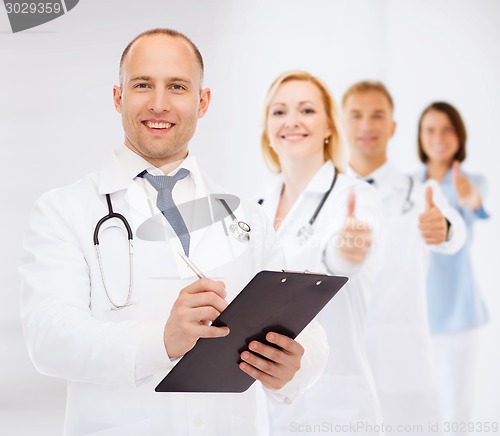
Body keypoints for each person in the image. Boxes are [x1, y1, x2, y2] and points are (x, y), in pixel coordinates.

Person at [19, 29, 328, 436]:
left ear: (202, 102)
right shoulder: (64, 210)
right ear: (118, 97)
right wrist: (160, 342)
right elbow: (49, 338)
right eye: (143, 84)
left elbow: (306, 330)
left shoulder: (246, 217)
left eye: (177, 87)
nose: (159, 104)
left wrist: (297, 364)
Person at [258, 70, 384, 435]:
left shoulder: (356, 197)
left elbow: (342, 261)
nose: (292, 121)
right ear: (267, 128)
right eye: (279, 112)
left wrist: (348, 250)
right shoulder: (255, 208)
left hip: (338, 410)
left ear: (330, 125)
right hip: (272, 409)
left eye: (307, 110)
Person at [341, 81, 466, 432]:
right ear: (342, 124)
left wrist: (443, 227)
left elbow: (456, 233)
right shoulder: (325, 194)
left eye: (377, 115)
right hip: (342, 364)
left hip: (405, 361)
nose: (367, 125)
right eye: (357, 115)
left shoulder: (421, 192)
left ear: (392, 127)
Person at [416, 101, 489, 430]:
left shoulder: (470, 182)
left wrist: (469, 197)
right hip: (418, 315)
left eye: (446, 129)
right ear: (420, 137)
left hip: (461, 312)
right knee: (422, 410)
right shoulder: (409, 187)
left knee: (459, 411)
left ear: (459, 136)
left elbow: (476, 204)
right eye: (430, 130)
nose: (438, 137)